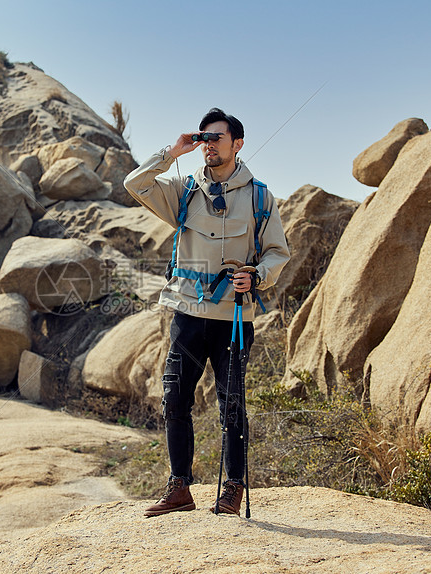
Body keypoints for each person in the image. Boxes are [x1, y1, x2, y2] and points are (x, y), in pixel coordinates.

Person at [123, 108, 290, 517]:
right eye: (205, 138)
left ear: (238, 143)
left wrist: (257, 276)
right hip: (187, 314)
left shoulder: (259, 196)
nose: (209, 144)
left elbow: (277, 253)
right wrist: (173, 151)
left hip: (233, 316)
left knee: (232, 404)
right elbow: (134, 183)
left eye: (217, 137)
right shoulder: (184, 190)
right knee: (174, 399)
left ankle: (232, 488)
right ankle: (179, 488)